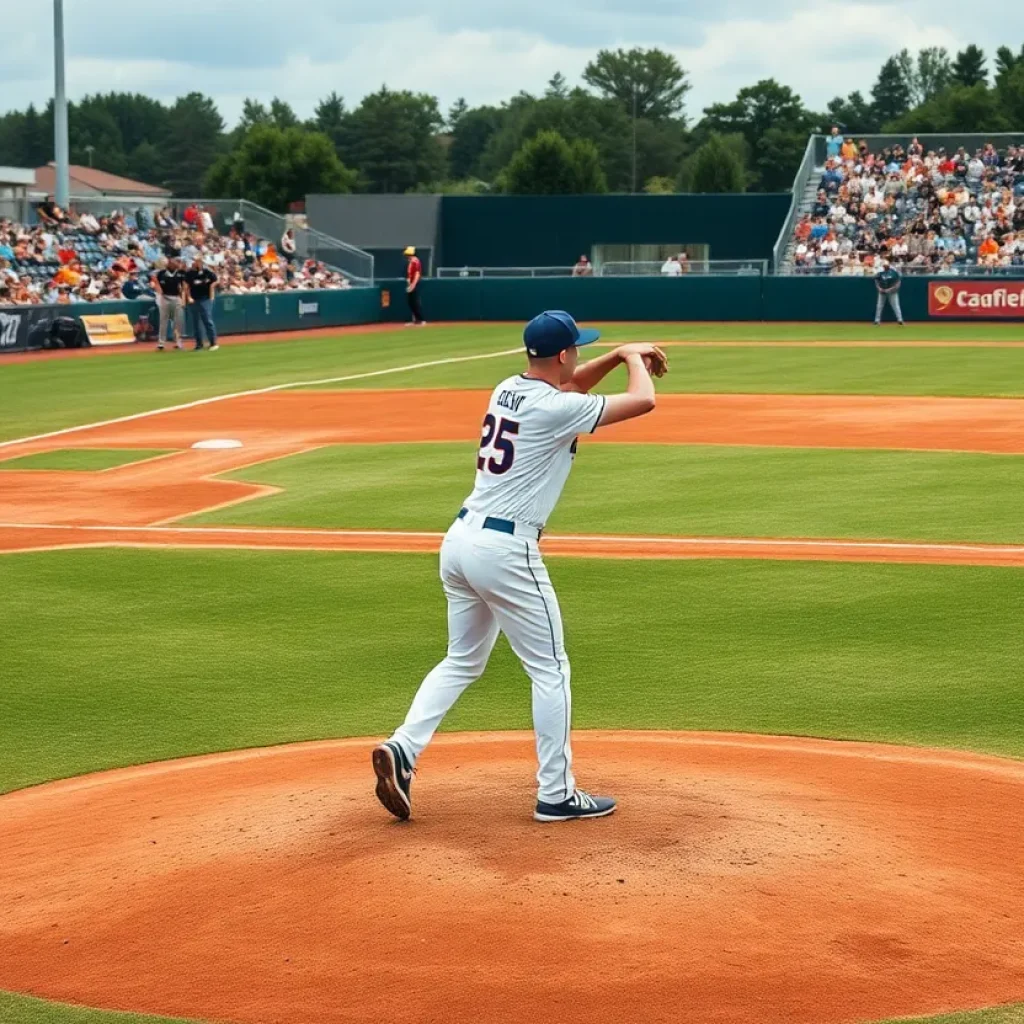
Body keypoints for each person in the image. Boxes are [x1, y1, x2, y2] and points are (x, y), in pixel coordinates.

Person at [371, 311, 669, 823]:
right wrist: (634, 358)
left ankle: (403, 749)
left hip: (461, 540)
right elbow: (644, 400)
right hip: (505, 552)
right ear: (561, 354)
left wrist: (619, 355)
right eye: (575, 347)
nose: (578, 355)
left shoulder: (507, 387)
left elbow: (570, 382)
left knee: (461, 661)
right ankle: (556, 792)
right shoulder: (553, 408)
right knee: (550, 669)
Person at [184, 255, 219, 351]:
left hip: (205, 298)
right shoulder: (190, 273)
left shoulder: (207, 272)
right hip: (194, 299)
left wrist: (212, 290)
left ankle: (213, 343)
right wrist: (189, 297)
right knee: (196, 322)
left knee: (207, 320)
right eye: (194, 261)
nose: (195, 262)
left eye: (197, 261)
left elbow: (215, 280)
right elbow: (186, 286)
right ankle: (199, 344)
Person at [153, 257, 186, 350]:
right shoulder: (161, 273)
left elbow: (183, 286)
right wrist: (160, 295)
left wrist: (183, 299)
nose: (173, 264)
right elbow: (157, 284)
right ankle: (161, 343)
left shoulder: (180, 273)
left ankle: (178, 342)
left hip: (176, 297)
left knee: (178, 321)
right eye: (171, 262)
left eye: (175, 262)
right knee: (163, 321)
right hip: (165, 297)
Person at [874, 259, 904, 325]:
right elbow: (876, 280)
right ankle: (877, 320)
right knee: (879, 306)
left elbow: (898, 282)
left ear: (888, 266)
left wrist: (891, 289)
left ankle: (900, 320)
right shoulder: (880, 272)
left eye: (886, 266)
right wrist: (879, 288)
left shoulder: (893, 272)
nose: (885, 267)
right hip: (882, 291)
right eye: (884, 266)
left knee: (895, 306)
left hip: (892, 292)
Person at [404, 245, 425, 325]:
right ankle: (416, 320)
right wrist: (409, 283)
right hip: (411, 284)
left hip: (415, 284)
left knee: (415, 302)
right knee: (411, 302)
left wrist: (413, 285)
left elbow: (417, 274)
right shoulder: (411, 262)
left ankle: (421, 320)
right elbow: (410, 274)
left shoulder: (415, 261)